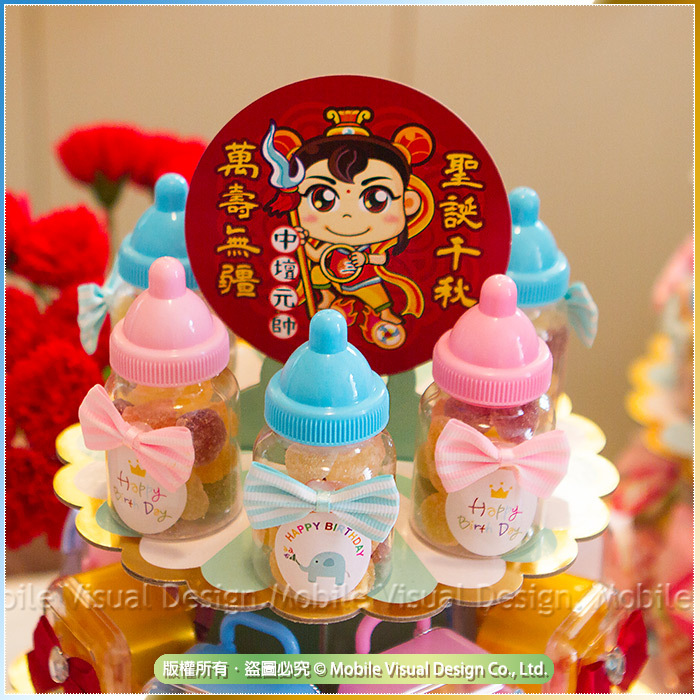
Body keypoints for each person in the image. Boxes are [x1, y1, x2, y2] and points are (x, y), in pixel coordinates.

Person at [262, 108, 434, 349]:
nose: (347, 215)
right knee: (317, 275)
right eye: (322, 198)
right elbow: (316, 256)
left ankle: (385, 313)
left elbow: (381, 258)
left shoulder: (369, 248)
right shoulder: (324, 244)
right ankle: (326, 297)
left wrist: (365, 258)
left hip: (364, 278)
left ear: (408, 203)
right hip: (328, 274)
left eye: (375, 199)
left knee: (378, 297)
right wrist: (303, 242)